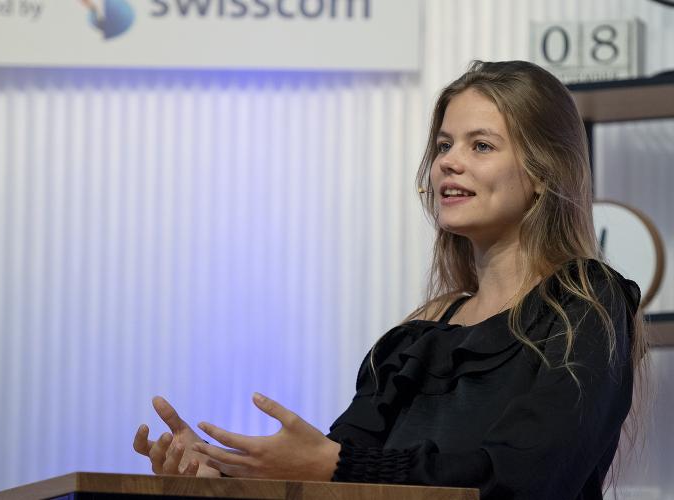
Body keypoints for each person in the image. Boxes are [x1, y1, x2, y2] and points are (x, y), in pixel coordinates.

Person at [132, 60, 648, 499]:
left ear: (542, 171)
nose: (448, 163)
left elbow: (526, 476)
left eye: (481, 146)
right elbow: (335, 473)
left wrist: (335, 466)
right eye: (444, 145)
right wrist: (224, 474)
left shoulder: (586, 301)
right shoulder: (416, 336)